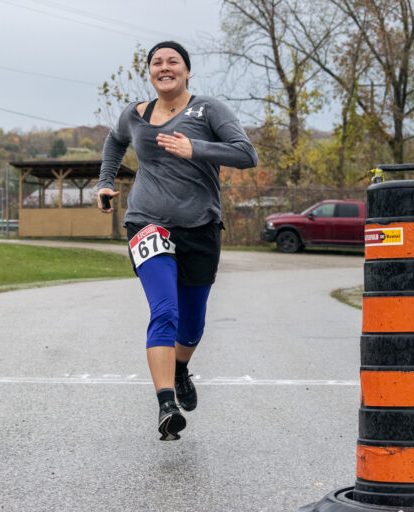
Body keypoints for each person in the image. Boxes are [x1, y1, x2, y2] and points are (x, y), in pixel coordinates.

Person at [96, 41, 258, 441]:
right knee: (164, 310)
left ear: (187, 71)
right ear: (149, 72)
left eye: (173, 62)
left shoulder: (209, 110)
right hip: (147, 223)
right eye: (157, 62)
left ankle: (181, 368)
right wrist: (105, 182)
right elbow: (115, 141)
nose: (164, 67)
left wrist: (194, 149)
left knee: (192, 324)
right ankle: (166, 404)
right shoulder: (134, 115)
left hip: (200, 226)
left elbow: (246, 154)